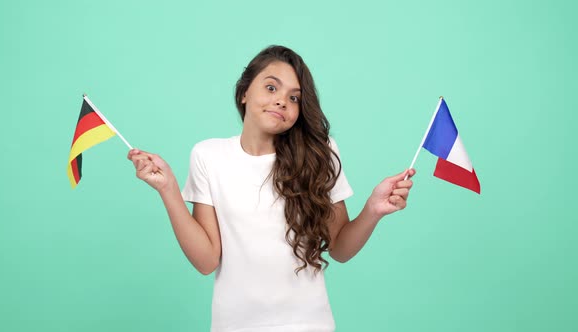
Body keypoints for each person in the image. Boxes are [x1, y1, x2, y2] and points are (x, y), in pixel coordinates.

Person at [128, 45, 415, 332]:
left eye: (294, 98)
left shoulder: (318, 154)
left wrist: (373, 210)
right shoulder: (208, 156)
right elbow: (206, 261)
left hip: (309, 325)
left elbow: (340, 248)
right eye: (270, 88)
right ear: (244, 92)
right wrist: (168, 189)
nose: (281, 101)